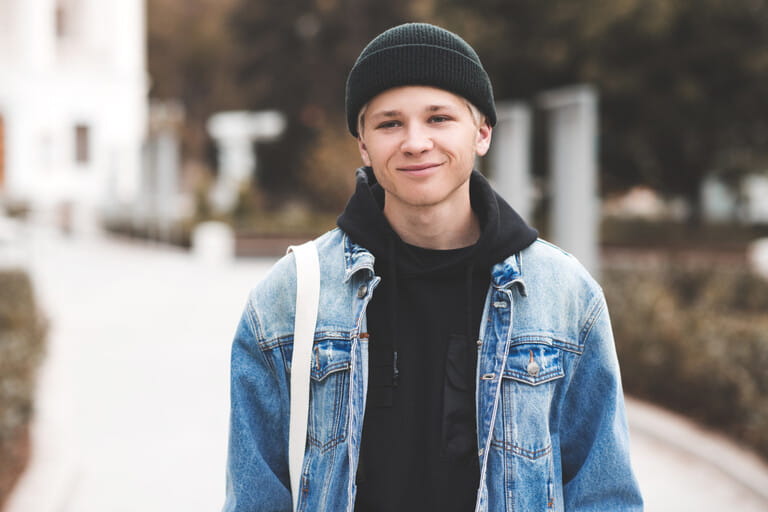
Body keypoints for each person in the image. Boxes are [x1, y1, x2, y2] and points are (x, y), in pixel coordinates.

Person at [223, 22, 643, 512]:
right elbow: (255, 498)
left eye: (439, 118)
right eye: (389, 123)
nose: (415, 142)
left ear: (482, 132)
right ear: (363, 144)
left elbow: (603, 495)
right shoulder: (288, 298)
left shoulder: (564, 294)